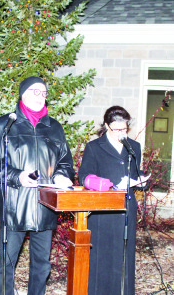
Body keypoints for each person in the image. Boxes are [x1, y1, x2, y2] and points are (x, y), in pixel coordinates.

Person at [0, 76, 75, 295]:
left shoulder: (54, 127)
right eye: (35, 91)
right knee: (6, 265)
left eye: (43, 93)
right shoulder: (5, 124)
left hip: (46, 205)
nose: (40, 97)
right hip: (14, 205)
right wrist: (17, 175)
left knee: (42, 266)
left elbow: (65, 162)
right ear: (22, 93)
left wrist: (62, 175)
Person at [78, 106, 147, 295]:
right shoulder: (94, 147)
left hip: (126, 209)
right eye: (117, 129)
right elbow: (83, 176)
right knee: (102, 258)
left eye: (124, 129)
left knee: (124, 258)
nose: (121, 133)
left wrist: (141, 181)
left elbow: (135, 173)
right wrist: (100, 183)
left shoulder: (134, 147)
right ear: (107, 126)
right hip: (102, 213)